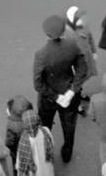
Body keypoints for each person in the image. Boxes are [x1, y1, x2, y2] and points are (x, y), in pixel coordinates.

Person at [32, 13, 88, 164]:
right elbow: (82, 69)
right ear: (63, 32)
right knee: (69, 127)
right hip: (69, 94)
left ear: (47, 34)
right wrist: (71, 91)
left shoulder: (41, 55)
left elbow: (38, 84)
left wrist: (56, 97)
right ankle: (67, 153)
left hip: (48, 98)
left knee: (45, 126)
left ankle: (46, 152)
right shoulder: (72, 46)